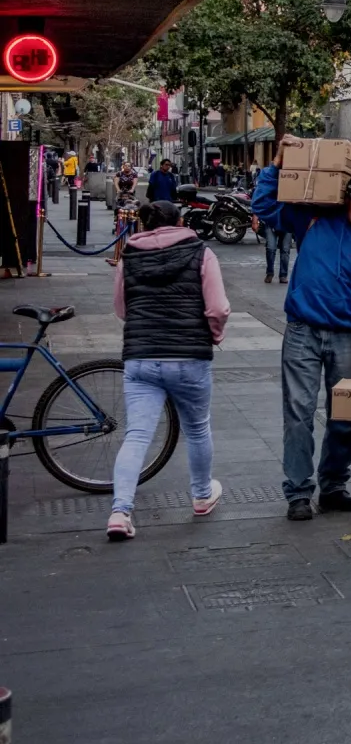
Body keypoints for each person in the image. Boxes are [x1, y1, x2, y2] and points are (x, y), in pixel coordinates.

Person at [251, 143, 351, 522]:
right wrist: (275, 168)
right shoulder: (313, 218)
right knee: (298, 412)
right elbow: (264, 208)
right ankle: (298, 492)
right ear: (346, 198)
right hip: (303, 330)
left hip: (348, 337)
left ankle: (332, 486)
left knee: (343, 417)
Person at [105, 199, 231, 540]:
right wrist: (214, 335)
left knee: (137, 435)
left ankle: (120, 512)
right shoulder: (201, 252)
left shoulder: (129, 256)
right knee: (197, 429)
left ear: (145, 224)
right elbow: (217, 307)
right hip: (189, 356)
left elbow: (121, 308)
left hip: (141, 356)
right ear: (180, 221)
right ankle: (203, 495)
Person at [260, 211, 291, 286]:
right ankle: (270, 273)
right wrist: (255, 219)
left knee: (285, 250)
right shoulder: (271, 199)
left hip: (287, 223)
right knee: (270, 249)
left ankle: (283, 275)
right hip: (271, 222)